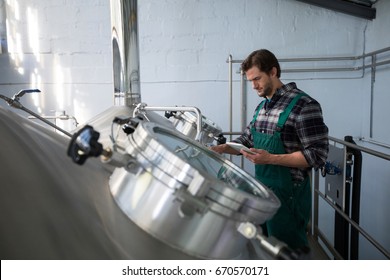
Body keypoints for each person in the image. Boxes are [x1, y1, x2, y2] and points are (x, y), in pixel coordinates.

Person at [211, 49, 329, 251]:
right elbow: (247, 141)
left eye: (257, 79)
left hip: (289, 198)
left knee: (288, 252)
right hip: (264, 193)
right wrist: (220, 148)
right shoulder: (262, 107)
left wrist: (271, 159)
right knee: (265, 249)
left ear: (273, 72)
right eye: (250, 81)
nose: (254, 85)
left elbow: (317, 155)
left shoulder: (304, 105)